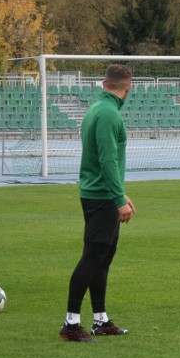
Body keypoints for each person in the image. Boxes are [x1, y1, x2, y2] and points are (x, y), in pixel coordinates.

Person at [59, 64, 136, 342]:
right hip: (102, 198)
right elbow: (106, 159)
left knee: (102, 259)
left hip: (100, 193)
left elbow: (103, 160)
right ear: (128, 88)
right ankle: (71, 323)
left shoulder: (96, 109)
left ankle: (100, 320)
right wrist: (117, 198)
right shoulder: (108, 114)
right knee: (92, 258)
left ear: (104, 84)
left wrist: (120, 193)